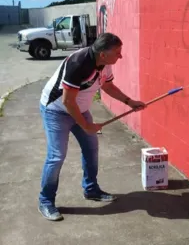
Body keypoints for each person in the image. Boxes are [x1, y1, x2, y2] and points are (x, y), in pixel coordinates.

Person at [38, 32, 146, 221]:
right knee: (56, 156)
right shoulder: (79, 63)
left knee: (91, 149)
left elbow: (107, 86)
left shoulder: (104, 64)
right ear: (103, 53)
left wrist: (130, 102)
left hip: (79, 109)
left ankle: (91, 189)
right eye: (117, 52)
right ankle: (45, 201)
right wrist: (86, 125)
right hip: (56, 111)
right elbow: (68, 101)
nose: (120, 56)